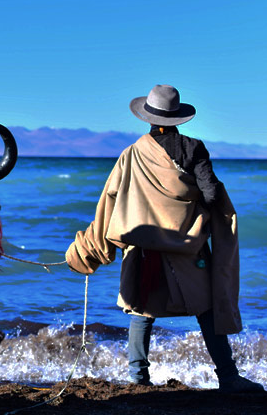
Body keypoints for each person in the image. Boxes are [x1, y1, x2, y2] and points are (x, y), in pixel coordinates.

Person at [65, 84, 264, 393]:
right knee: (207, 308)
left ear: (148, 117)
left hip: (144, 250)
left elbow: (110, 202)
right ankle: (228, 377)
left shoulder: (131, 154)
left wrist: (90, 249)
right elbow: (211, 194)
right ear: (179, 118)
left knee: (141, 311)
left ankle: (138, 379)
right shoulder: (194, 149)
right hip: (188, 248)